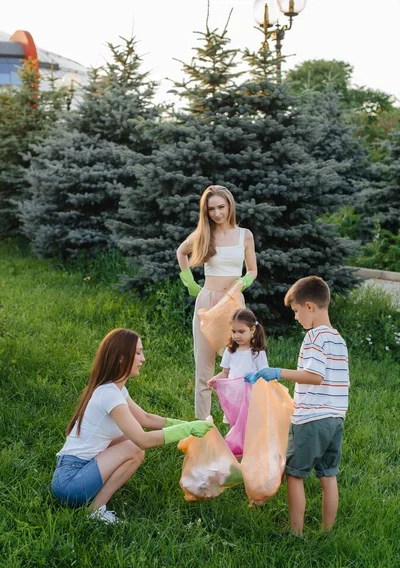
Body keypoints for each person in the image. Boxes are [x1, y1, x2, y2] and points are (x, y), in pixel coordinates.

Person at [51, 328, 213, 524]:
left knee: (128, 440)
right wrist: (186, 430)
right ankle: (95, 509)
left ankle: (95, 505)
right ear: (120, 357)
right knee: (135, 448)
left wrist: (188, 424)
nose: (142, 358)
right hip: (71, 482)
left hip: (73, 474)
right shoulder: (109, 394)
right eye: (137, 353)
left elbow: (144, 418)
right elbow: (142, 440)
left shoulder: (116, 389)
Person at [244, 276, 349, 537]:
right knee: (328, 476)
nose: (295, 318)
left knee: (295, 475)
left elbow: (315, 375)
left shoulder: (314, 337)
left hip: (312, 419)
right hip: (336, 419)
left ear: (310, 307)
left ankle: (296, 533)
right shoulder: (338, 339)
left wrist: (278, 372)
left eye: (296, 311)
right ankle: (327, 532)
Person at [176, 185, 257, 420]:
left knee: (237, 367)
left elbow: (252, 269)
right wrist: (189, 283)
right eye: (211, 209)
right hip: (207, 302)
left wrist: (241, 282)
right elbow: (181, 252)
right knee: (204, 369)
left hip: (234, 304)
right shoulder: (204, 234)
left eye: (221, 207)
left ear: (229, 205)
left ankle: (237, 425)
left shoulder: (245, 235)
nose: (217, 213)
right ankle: (202, 429)